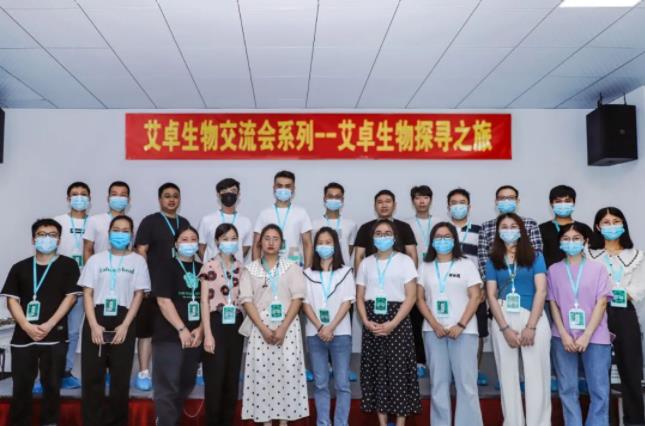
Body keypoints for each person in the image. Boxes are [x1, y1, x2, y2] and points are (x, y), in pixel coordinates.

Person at [1, 219, 81, 426]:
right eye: (42, 234)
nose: (47, 239)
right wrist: (27, 326)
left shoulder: (68, 265)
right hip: (23, 337)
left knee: (52, 386)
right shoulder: (20, 267)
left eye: (52, 235)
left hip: (55, 335)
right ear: (33, 239)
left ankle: (50, 422)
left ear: (59, 240)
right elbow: (12, 300)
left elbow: (71, 298)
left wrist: (50, 324)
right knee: (21, 387)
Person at [79, 215, 150, 426]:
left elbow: (139, 294)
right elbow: (87, 293)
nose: (120, 234)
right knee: (92, 378)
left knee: (120, 379)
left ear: (132, 235)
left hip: (124, 319)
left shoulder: (138, 261)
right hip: (96, 318)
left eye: (125, 230)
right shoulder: (96, 260)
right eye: (116, 230)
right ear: (109, 233)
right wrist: (93, 324)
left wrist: (126, 325)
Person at [240, 224, 309, 425]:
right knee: (263, 376)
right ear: (260, 242)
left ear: (282, 243)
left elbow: (297, 298)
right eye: (267, 238)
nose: (271, 242)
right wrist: (263, 329)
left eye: (275, 238)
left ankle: (284, 422)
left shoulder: (292, 267)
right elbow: (246, 300)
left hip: (288, 327)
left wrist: (283, 328)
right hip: (260, 327)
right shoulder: (250, 269)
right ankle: (266, 422)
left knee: (287, 374)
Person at [486, 213, 551, 426]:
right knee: (507, 376)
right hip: (503, 317)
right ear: (498, 232)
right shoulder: (493, 259)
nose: (509, 230)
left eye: (513, 226)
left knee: (537, 375)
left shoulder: (535, 256)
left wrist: (531, 326)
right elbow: (491, 295)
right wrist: (504, 329)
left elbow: (541, 290)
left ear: (522, 230)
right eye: (504, 227)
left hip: (533, 316)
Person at [417, 222, 483, 426]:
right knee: (438, 385)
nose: (443, 240)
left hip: (464, 331)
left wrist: (460, 325)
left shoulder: (466, 264)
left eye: (447, 237)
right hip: (433, 332)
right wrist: (434, 324)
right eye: (438, 237)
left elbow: (476, 297)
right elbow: (419, 299)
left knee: (467, 385)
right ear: (432, 241)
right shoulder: (425, 266)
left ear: (454, 240)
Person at [356, 219, 420, 426]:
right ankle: (382, 423)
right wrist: (366, 321)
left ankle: (400, 423)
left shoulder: (405, 261)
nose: (382, 237)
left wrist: (393, 323)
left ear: (394, 237)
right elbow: (359, 296)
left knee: (398, 373)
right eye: (378, 233)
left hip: (398, 320)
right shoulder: (366, 263)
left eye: (387, 233)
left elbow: (411, 296)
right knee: (376, 374)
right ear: (372, 238)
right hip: (372, 321)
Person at [548, 223, 612, 426]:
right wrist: (563, 334)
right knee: (567, 390)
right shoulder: (553, 270)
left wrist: (586, 335)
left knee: (599, 391)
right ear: (560, 243)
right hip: (562, 338)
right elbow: (553, 304)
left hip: (595, 336)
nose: (571, 242)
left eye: (576, 238)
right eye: (566, 239)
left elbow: (602, 303)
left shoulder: (598, 269)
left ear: (586, 241)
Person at [586, 207, 645, 425]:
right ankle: (603, 421)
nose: (612, 226)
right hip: (596, 312)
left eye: (616, 221)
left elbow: (640, 286)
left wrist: (618, 293)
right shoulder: (588, 254)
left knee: (630, 368)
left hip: (624, 313)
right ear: (597, 227)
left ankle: (635, 420)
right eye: (606, 222)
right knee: (598, 372)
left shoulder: (636, 255)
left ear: (623, 225)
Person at [134, 182, 190, 391]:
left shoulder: (184, 223)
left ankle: (180, 370)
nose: (171, 199)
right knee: (147, 331)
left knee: (177, 328)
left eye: (175, 196)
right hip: (153, 285)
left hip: (178, 286)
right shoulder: (150, 221)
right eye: (167, 196)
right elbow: (141, 250)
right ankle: (143, 372)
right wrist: (144, 281)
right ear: (160, 200)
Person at [302, 227, 355, 426]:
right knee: (320, 384)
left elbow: (347, 302)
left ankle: (341, 423)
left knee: (342, 384)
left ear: (335, 246)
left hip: (340, 334)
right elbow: (305, 303)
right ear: (315, 247)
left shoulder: (345, 272)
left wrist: (330, 327)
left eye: (328, 242)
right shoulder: (307, 273)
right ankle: (323, 423)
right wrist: (320, 327)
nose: (324, 246)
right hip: (314, 334)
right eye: (320, 243)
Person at [152, 226, 203, 426]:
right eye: (184, 239)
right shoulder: (166, 266)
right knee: (168, 386)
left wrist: (201, 329)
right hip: (169, 336)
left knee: (186, 383)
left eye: (193, 239)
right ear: (176, 244)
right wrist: (181, 329)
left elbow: (209, 302)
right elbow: (163, 301)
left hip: (195, 336)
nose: (189, 243)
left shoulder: (203, 269)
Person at [200, 223, 245, 426]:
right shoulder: (209, 266)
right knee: (215, 379)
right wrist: (207, 334)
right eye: (225, 238)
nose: (230, 242)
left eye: (233, 238)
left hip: (236, 323)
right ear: (217, 241)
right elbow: (204, 302)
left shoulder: (241, 268)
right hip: (216, 323)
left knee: (231, 378)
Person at [447, 188, 489, 386]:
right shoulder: (443, 231)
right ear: (448, 207)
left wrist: (484, 288)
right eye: (454, 203)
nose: (458, 206)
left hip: (475, 291)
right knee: (448, 327)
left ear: (469, 206)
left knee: (477, 331)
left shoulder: (480, 231)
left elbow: (485, 261)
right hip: (448, 290)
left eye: (462, 202)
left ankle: (475, 369)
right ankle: (451, 371)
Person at [54, 181, 91, 389]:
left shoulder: (94, 223)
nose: (79, 198)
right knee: (52, 329)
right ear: (68, 199)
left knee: (74, 331)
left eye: (83, 194)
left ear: (89, 198)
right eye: (75, 194)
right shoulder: (58, 221)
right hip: (59, 285)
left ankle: (66, 371)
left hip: (85, 285)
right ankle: (47, 373)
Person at [478, 185, 543, 278]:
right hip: (496, 280)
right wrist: (490, 280)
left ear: (517, 201)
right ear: (496, 202)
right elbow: (483, 258)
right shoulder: (486, 226)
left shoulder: (530, 224)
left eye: (511, 198)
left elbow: (537, 253)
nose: (506, 201)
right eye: (502, 198)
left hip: (526, 278)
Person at [253, 170, 313, 268]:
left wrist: (307, 271)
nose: (283, 189)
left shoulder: (302, 213)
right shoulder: (264, 213)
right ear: (274, 188)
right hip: (268, 267)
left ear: (293, 189)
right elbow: (256, 245)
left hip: (294, 266)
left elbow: (308, 244)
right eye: (279, 186)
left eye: (287, 186)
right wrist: (256, 270)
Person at [353, 189, 418, 272]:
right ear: (374, 206)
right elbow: (359, 256)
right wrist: (359, 277)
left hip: (399, 272)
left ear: (394, 205)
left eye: (388, 201)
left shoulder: (405, 227)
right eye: (380, 202)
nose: (384, 205)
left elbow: (412, 254)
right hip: (372, 273)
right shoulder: (365, 228)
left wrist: (412, 276)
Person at [198, 177, 253, 263]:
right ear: (218, 195)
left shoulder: (246, 221)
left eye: (233, 190)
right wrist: (209, 265)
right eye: (225, 191)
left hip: (236, 269)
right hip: (212, 269)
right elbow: (201, 247)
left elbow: (245, 248)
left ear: (238, 194)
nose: (229, 194)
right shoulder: (206, 220)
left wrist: (232, 264)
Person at [539, 185, 592, 268]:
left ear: (574, 203)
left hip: (581, 273)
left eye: (567, 201)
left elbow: (591, 254)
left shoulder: (584, 228)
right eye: (558, 201)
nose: (563, 205)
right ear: (551, 204)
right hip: (550, 274)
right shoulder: (541, 229)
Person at [311, 182, 358, 266]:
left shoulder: (351, 225)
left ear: (342, 200)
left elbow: (350, 250)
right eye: (330, 196)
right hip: (319, 268)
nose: (333, 200)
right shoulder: (313, 224)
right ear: (324, 199)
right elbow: (311, 249)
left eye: (337, 197)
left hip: (343, 269)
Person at [83, 180, 130, 262]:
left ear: (128, 199)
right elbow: (87, 250)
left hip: (125, 268)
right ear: (108, 198)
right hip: (100, 268)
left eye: (123, 195)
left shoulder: (133, 224)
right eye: (114, 194)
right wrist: (90, 269)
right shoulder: (94, 220)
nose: (118, 198)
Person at [405, 185, 445, 262]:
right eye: (417, 198)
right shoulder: (406, 224)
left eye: (426, 197)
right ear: (412, 201)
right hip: (413, 265)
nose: (422, 201)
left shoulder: (440, 223)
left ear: (431, 200)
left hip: (436, 264)